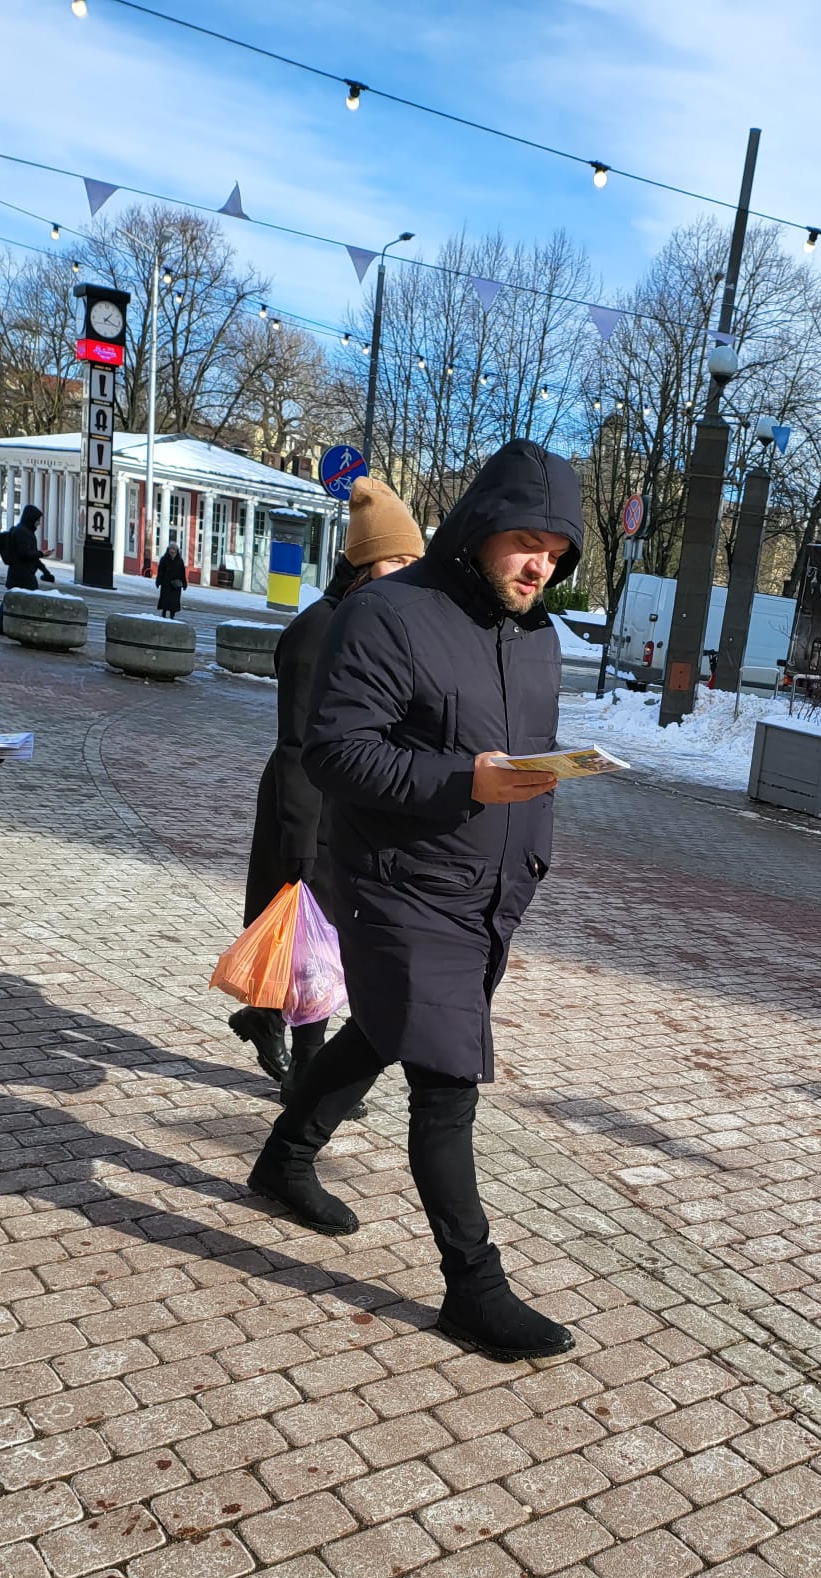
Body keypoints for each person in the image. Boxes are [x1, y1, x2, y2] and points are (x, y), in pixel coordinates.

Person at [246, 439, 583, 1361]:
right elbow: (336, 752)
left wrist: (531, 835)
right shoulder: (388, 615)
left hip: (491, 893)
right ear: (481, 527)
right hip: (398, 885)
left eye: (556, 552)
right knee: (446, 1079)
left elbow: (519, 759)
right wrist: (463, 780)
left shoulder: (539, 635)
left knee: (386, 1029)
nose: (539, 566)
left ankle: (283, 1159)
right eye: (526, 543)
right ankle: (474, 1286)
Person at [229, 477, 424, 1093]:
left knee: (324, 941)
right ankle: (307, 1075)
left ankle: (267, 1017)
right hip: (309, 809)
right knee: (316, 941)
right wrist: (299, 844)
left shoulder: (378, 625)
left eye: (414, 562)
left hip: (350, 807)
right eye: (397, 560)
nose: (408, 574)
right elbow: (297, 745)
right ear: (363, 562)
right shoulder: (320, 630)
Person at [0, 501, 53, 633]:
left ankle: (2, 626)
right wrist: (42, 554)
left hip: (22, 575)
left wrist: (46, 571)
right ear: (31, 519)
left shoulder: (26, 531)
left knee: (12, 600)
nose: (39, 523)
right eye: (37, 520)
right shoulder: (22, 533)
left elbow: (33, 556)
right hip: (21, 575)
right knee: (19, 600)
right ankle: (7, 626)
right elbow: (25, 553)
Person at [156, 537, 187, 618]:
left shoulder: (180, 561)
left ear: (176, 551)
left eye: (174, 549)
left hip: (176, 584)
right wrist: (158, 581)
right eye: (171, 549)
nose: (172, 551)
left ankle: (172, 616)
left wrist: (184, 583)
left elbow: (182, 573)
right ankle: (163, 613)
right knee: (165, 600)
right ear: (168, 550)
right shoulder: (164, 559)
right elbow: (160, 572)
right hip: (166, 583)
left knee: (174, 601)